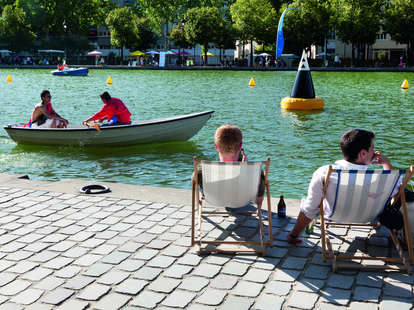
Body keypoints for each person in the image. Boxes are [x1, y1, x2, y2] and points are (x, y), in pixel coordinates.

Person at [287, 129, 395, 244]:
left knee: (307, 202)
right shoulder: (380, 178)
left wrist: (293, 235)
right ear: (363, 153)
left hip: (334, 215)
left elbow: (310, 208)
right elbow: (397, 191)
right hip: (368, 217)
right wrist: (386, 164)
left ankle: (293, 236)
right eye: (372, 149)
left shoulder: (325, 172)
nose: (375, 152)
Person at [197, 124, 265, 208]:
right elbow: (258, 201)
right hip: (242, 200)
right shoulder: (255, 171)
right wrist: (245, 169)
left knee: (199, 179)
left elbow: (194, 180)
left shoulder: (204, 169)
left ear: (216, 146)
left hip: (216, 200)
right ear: (240, 146)